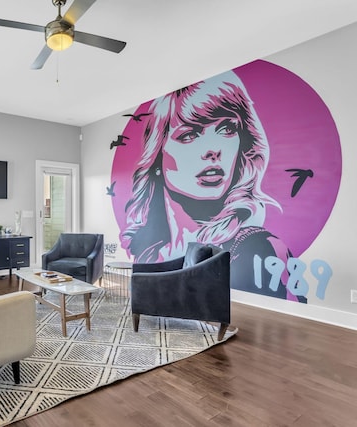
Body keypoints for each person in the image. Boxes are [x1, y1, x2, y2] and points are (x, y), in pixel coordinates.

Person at [121, 70, 305, 302]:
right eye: (190, 135)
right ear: (157, 158)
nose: (213, 150)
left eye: (227, 129)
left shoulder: (260, 248)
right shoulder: (148, 247)